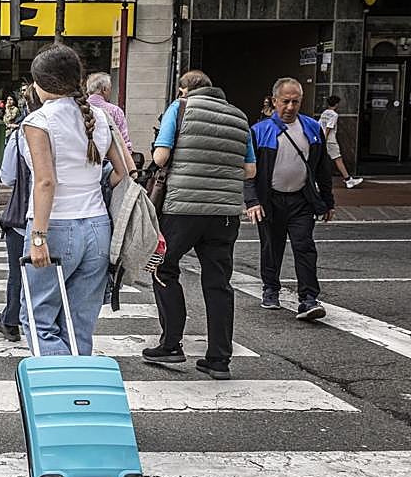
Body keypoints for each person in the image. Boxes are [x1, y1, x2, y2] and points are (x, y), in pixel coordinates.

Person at [141, 70, 256, 380]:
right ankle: (219, 359)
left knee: (163, 268)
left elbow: (161, 157)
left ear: (184, 90)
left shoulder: (179, 109)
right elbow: (250, 170)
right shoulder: (239, 116)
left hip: (183, 208)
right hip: (225, 214)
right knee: (219, 282)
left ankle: (171, 344)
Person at [20, 45, 129, 355]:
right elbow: (124, 171)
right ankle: (79, 395)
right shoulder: (101, 116)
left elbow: (45, 181)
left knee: (37, 318)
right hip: (97, 227)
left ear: (40, 83)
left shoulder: (39, 121)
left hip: (55, 226)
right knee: (79, 323)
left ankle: (59, 394)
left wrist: (38, 237)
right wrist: (94, 186)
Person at [247, 77, 335, 322]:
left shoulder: (312, 128)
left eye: (295, 101)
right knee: (271, 247)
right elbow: (248, 170)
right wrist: (252, 201)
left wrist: (328, 201)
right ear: (275, 101)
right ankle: (270, 289)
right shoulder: (259, 131)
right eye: (285, 101)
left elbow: (322, 169)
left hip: (301, 201)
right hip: (270, 201)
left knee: (304, 246)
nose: (290, 107)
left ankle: (308, 298)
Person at [0, 83, 43, 341]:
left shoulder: (22, 133)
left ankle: (13, 319)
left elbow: (8, 176)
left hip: (25, 217)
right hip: (74, 219)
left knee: (19, 270)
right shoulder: (81, 125)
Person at [319, 95, 362, 189]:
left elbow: (320, 125)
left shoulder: (324, 113)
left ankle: (316, 181)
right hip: (330, 141)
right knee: (338, 159)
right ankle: (348, 180)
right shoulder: (334, 115)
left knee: (320, 160)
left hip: (322, 139)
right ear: (337, 104)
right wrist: (324, 140)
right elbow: (329, 128)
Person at [85, 72, 133, 152]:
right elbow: (124, 142)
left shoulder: (79, 108)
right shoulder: (115, 111)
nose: (110, 91)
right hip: (110, 160)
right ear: (104, 89)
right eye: (110, 88)